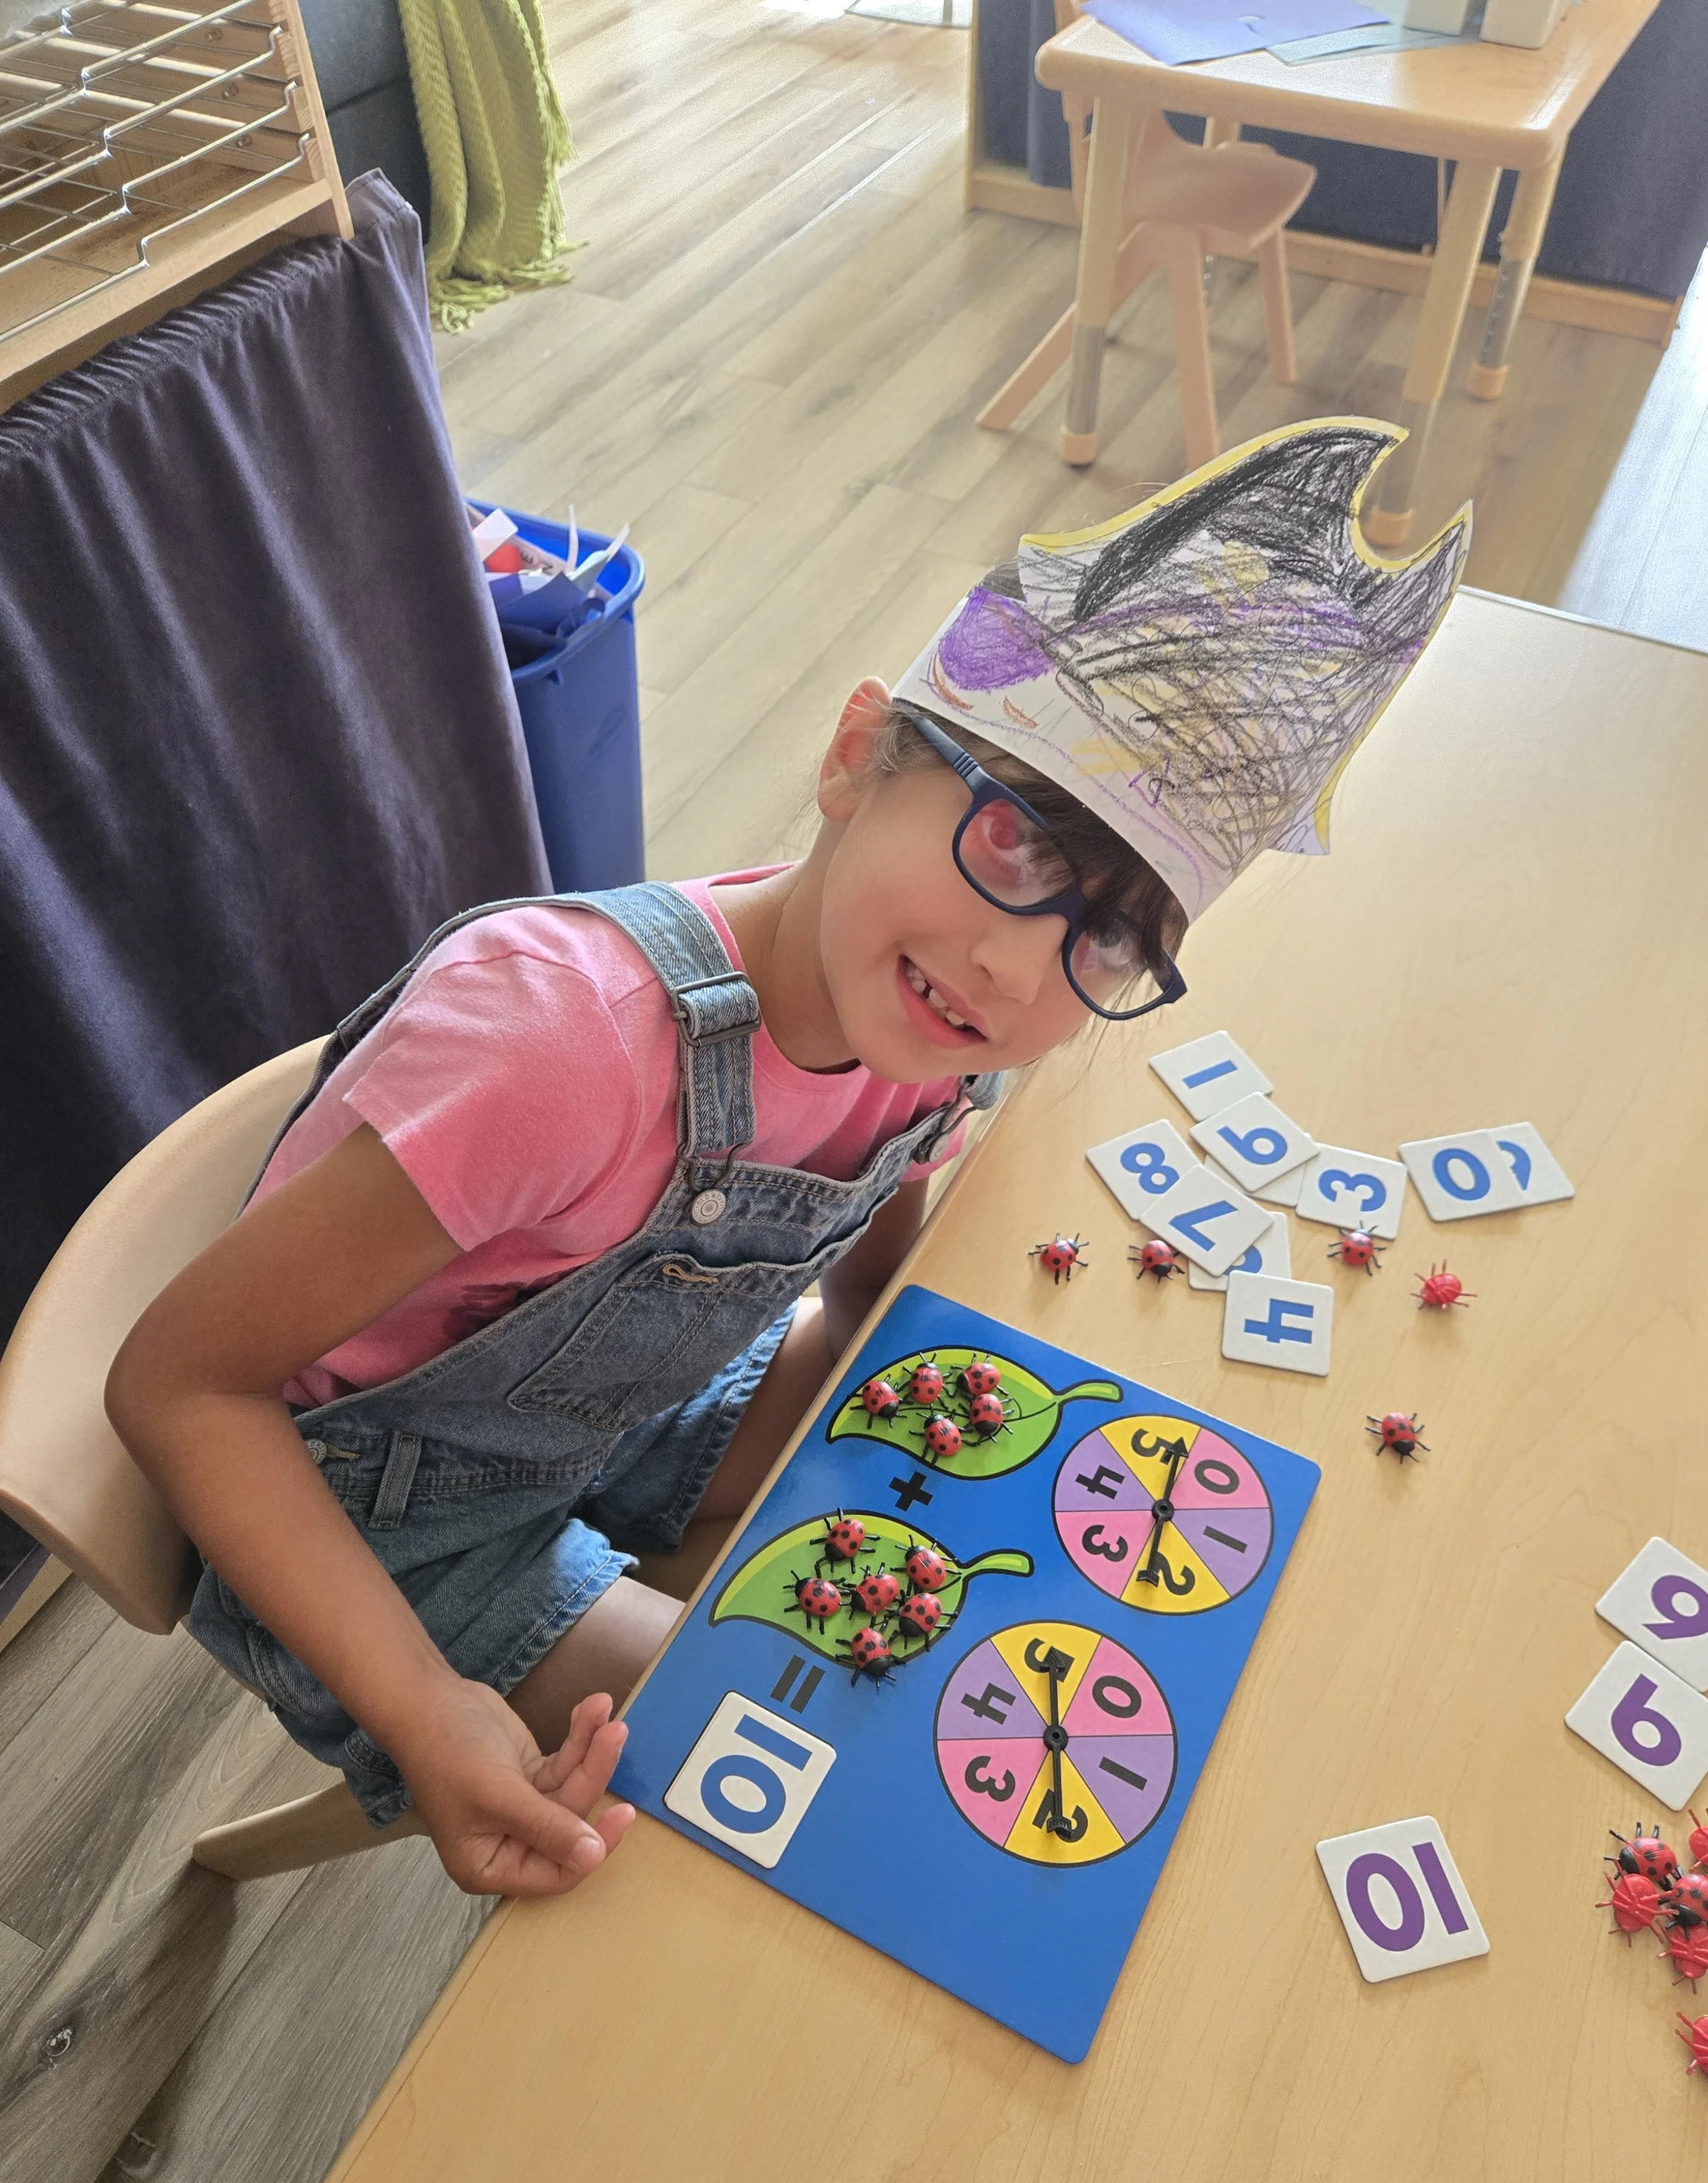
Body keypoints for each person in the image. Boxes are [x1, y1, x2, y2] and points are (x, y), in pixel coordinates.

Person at [106, 419, 1467, 1902]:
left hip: (601, 1417)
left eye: (1113, 937)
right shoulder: (556, 1046)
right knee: (821, 1800)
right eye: (1011, 846)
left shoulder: (933, 1025)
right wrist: (429, 1710)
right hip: (367, 1522)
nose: (1015, 970)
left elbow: (872, 1205)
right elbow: (181, 1384)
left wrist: (865, 1337)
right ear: (846, 759)